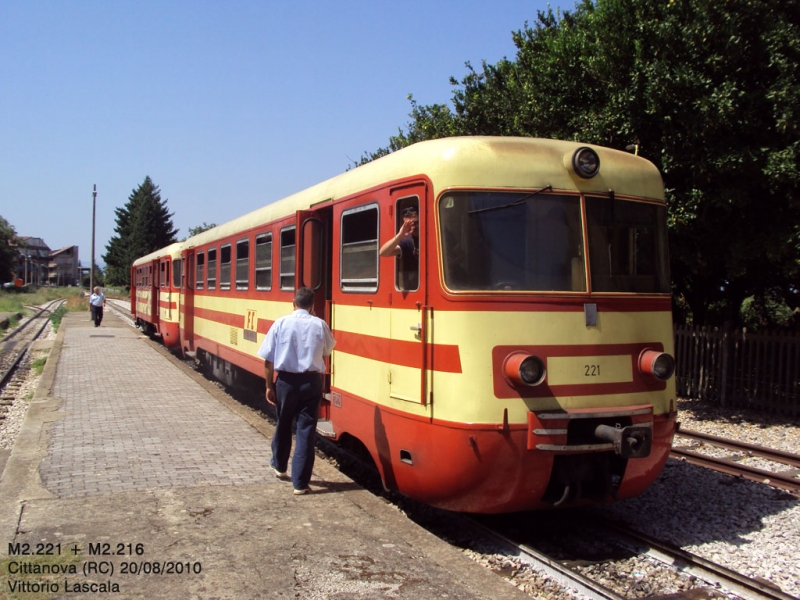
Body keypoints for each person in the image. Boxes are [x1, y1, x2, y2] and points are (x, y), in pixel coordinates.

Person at [257, 287, 335, 495]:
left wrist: (268, 386)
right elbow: (327, 350)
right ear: (311, 305)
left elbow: (268, 358)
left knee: (283, 424)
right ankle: (300, 484)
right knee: (306, 430)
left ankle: (280, 466)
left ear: (293, 303)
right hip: (311, 382)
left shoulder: (280, 323)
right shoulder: (320, 324)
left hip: (286, 382)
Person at [379, 206, 419, 290]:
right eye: (409, 224)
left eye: (416, 223)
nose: (413, 227)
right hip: (413, 286)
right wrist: (399, 236)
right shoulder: (407, 241)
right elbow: (383, 252)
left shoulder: (435, 236)